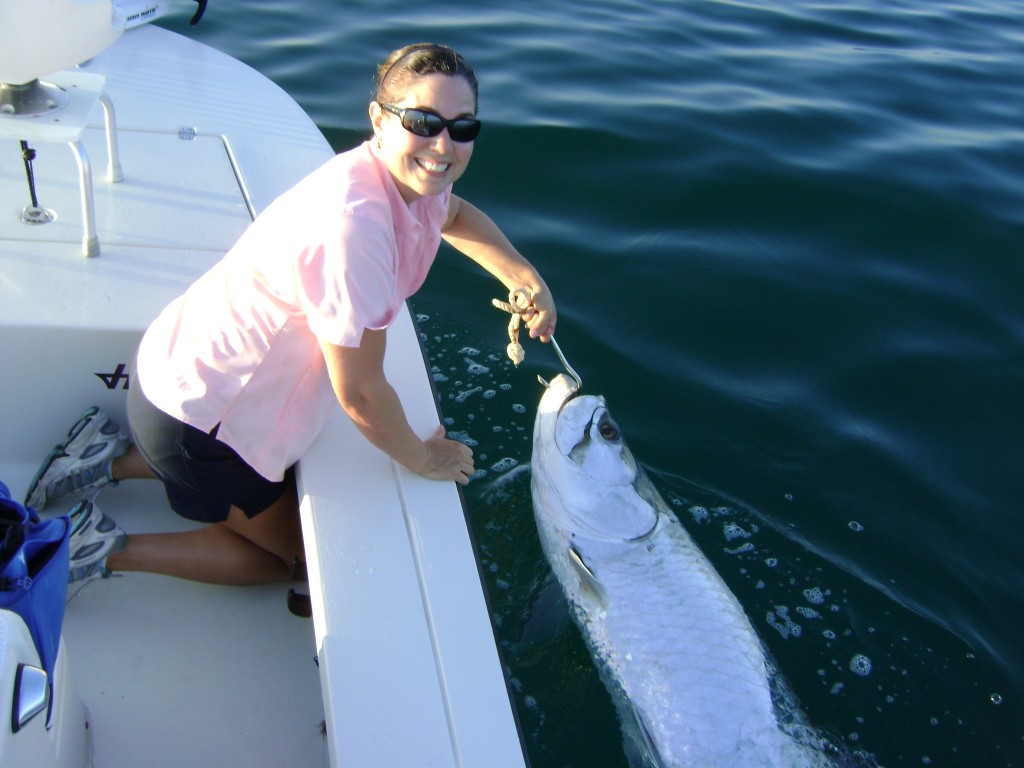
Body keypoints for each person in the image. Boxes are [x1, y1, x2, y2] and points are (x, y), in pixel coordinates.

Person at [24, 43, 555, 588]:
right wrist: (422, 457)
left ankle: (103, 455)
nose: (443, 145)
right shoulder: (355, 227)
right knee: (292, 562)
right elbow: (362, 394)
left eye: (462, 127)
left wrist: (521, 276)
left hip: (185, 378)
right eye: (422, 121)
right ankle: (94, 547)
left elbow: (456, 214)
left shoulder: (408, 179)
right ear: (379, 118)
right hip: (202, 422)